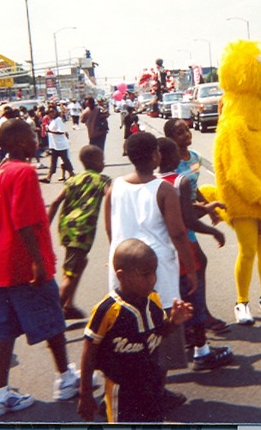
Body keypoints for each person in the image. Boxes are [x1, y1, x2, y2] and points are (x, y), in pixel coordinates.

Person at [0, 118, 81, 418]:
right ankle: (65, 378)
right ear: (16, 143)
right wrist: (38, 259)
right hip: (26, 263)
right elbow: (23, 219)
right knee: (52, 318)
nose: (36, 139)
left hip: (3, 265)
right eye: (30, 136)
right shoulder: (24, 171)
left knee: (5, 331)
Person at [105, 132, 197, 407]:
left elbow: (110, 229)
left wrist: (118, 257)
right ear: (156, 156)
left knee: (127, 328)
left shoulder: (114, 186)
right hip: (156, 271)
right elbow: (178, 233)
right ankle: (157, 391)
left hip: (122, 265)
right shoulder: (164, 189)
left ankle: (126, 391)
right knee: (162, 326)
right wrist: (189, 268)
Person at [77, 239, 194, 422]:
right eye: (145, 274)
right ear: (122, 276)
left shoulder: (153, 301)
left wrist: (173, 322)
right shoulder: (107, 310)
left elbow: (158, 334)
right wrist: (85, 393)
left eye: (155, 272)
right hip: (122, 390)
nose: (153, 279)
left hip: (152, 386)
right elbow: (89, 350)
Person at [157, 138, 233, 371]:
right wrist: (213, 231)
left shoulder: (152, 182)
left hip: (161, 251)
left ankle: (187, 338)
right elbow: (187, 218)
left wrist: (207, 208)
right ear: (171, 158)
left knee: (173, 296)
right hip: (182, 246)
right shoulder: (178, 182)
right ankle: (202, 350)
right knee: (194, 293)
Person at [162, 117, 229, 334]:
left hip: (192, 211)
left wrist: (208, 207)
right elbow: (181, 200)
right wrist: (207, 208)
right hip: (183, 215)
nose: (186, 134)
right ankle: (199, 317)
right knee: (195, 264)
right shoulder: (172, 164)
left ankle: (194, 316)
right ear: (170, 139)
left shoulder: (195, 158)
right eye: (179, 132)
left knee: (196, 263)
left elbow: (194, 187)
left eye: (186, 130)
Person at [47, 144, 111, 320]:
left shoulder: (73, 179)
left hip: (67, 228)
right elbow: (112, 196)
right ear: (95, 161)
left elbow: (54, 203)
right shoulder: (103, 180)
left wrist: (45, 228)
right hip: (82, 231)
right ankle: (53, 316)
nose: (104, 163)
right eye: (102, 159)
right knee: (70, 273)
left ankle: (68, 305)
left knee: (79, 263)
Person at [40, 105, 75, 184]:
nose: (51, 114)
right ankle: (48, 177)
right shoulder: (52, 121)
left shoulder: (58, 120)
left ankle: (72, 174)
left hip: (61, 145)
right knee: (53, 161)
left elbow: (61, 132)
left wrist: (50, 131)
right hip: (54, 145)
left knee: (65, 161)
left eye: (53, 111)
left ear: (56, 112)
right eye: (49, 112)